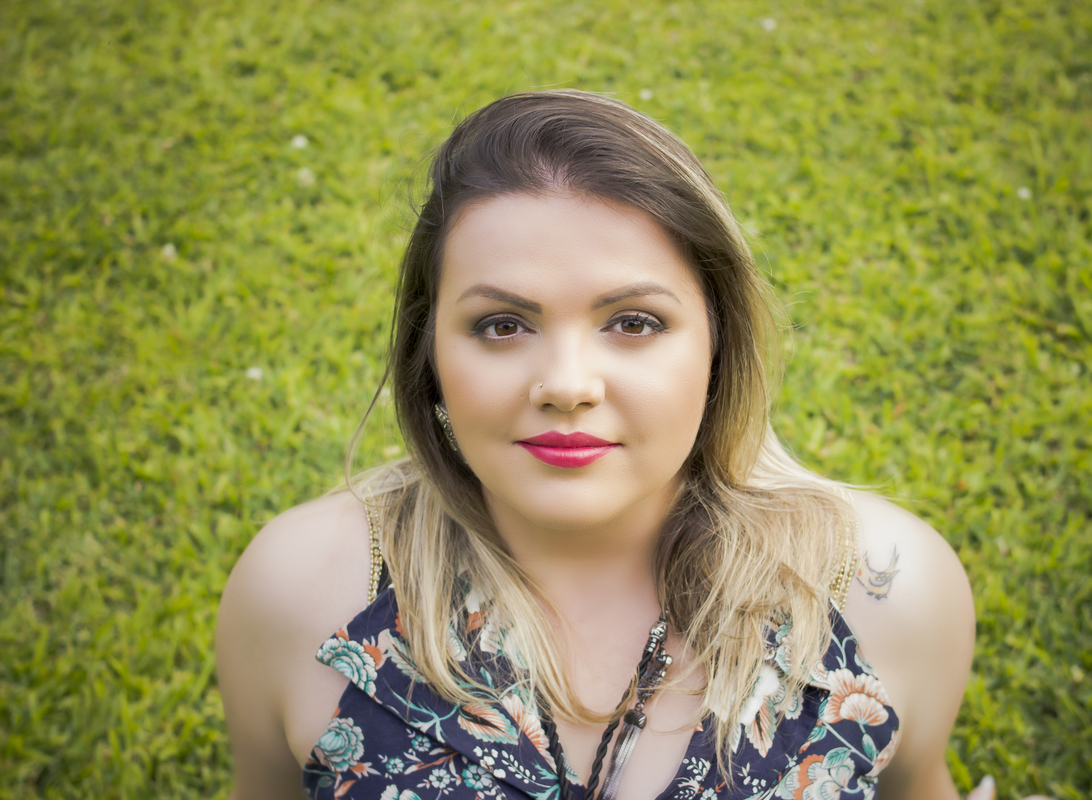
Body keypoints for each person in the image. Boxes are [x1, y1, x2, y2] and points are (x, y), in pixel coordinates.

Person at [217, 90, 1042, 800]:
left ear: (718, 342)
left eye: (634, 322)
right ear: (428, 355)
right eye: (502, 325)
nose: (566, 384)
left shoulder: (885, 591)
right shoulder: (300, 592)